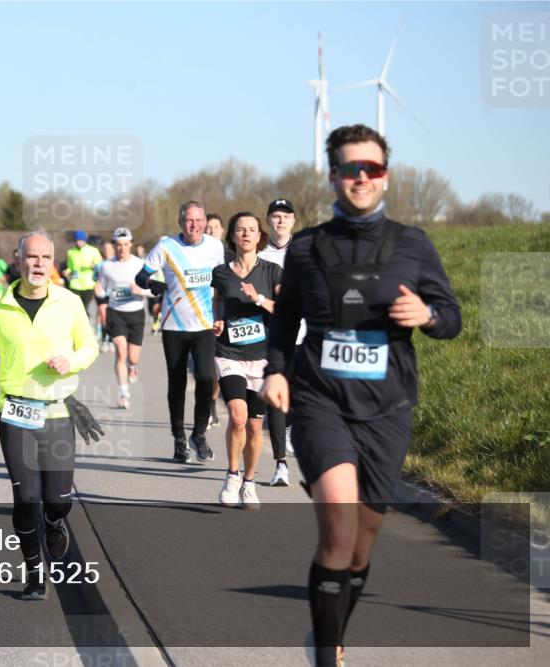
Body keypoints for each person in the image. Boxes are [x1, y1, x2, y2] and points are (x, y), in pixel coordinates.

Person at [260, 124, 461, 667]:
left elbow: (452, 318)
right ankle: (326, 658)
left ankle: (332, 633)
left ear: (385, 176)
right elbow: (286, 319)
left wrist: (428, 315)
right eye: (352, 168)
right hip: (320, 400)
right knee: (339, 524)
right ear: (334, 176)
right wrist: (276, 371)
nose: (362, 177)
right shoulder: (305, 247)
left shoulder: (413, 244)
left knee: (362, 544)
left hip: (387, 408)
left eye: (373, 169)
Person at [0, 231, 102, 600]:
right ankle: (34, 573)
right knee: (26, 498)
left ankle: (55, 523)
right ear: (18, 259)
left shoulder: (69, 302)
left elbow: (89, 347)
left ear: (53, 261)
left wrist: (69, 361)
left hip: (57, 412)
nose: (38, 264)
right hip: (15, 413)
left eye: (45, 258)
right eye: (31, 257)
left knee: (57, 500)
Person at [135, 200, 225, 464]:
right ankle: (178, 438)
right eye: (189, 220)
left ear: (205, 222)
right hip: (174, 326)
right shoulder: (166, 246)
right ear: (180, 223)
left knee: (207, 379)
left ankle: (199, 435)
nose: (194, 225)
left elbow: (222, 280)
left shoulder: (215, 246)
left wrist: (224, 314)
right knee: (177, 383)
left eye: (198, 220)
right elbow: (141, 276)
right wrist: (153, 284)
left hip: (204, 325)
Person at [211, 213, 281, 510]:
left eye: (252, 230)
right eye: (241, 230)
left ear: (259, 236)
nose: (247, 234)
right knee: (237, 417)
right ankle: (232, 475)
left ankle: (249, 482)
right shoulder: (221, 272)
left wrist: (258, 300)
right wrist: (217, 319)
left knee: (254, 427)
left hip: (263, 358)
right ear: (233, 236)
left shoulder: (272, 271)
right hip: (229, 355)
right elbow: (217, 299)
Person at [258, 198, 303, 485]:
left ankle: (290, 428)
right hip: (271, 339)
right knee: (275, 400)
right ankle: (280, 465)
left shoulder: (307, 252)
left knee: (299, 396)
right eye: (275, 216)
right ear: (268, 221)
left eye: (286, 216)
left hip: (305, 336)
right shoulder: (259, 255)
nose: (281, 221)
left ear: (294, 221)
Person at [95, 227, 146, 410]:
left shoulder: (140, 264)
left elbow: (152, 288)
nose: (122, 248)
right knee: (121, 351)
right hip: (116, 313)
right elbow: (101, 287)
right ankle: (124, 394)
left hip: (136, 313)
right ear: (114, 246)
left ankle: (133, 366)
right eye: (118, 245)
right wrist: (99, 291)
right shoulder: (106, 266)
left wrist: (141, 291)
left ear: (130, 245)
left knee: (133, 357)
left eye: (125, 244)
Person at [203, 213, 228, 429]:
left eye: (215, 227)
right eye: (207, 228)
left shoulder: (229, 255)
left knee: (218, 366)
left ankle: (211, 401)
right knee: (210, 364)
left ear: (222, 230)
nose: (211, 231)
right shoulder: (197, 255)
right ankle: (208, 406)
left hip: (225, 313)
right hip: (202, 315)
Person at [64, 230, 103, 321]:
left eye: (81, 240)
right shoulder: (71, 252)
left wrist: (93, 266)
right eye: (77, 240)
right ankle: (81, 322)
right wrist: (67, 271)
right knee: (76, 305)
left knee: (84, 306)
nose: (78, 242)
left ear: (85, 240)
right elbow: (70, 266)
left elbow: (101, 266)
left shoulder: (93, 251)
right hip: (75, 283)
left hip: (88, 284)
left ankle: (85, 321)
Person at [94, 241, 116, 352]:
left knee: (111, 318)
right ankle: (104, 340)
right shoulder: (99, 264)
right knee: (103, 315)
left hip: (114, 294)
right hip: (102, 294)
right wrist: (97, 287)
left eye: (109, 249)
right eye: (105, 249)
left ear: (113, 249)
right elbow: (96, 279)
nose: (107, 251)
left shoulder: (117, 263)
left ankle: (111, 340)